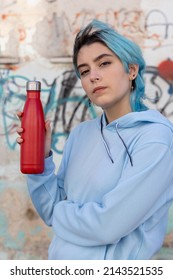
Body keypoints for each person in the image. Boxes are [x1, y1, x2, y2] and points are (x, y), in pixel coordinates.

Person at [16, 19, 173, 260]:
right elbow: (50, 209)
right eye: (85, 70)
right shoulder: (81, 134)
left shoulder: (156, 138)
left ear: (132, 70)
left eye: (104, 63)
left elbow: (107, 225)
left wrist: (61, 213)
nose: (93, 76)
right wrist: (42, 158)